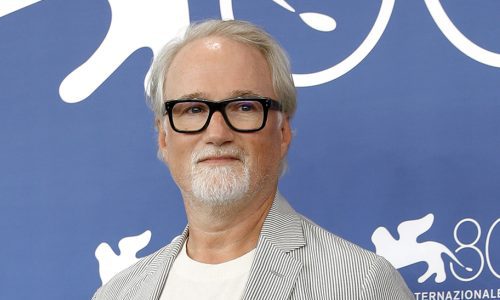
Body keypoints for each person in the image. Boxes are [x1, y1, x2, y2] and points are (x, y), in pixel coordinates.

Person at [92, 19, 414, 300]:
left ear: (283, 131)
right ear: (164, 137)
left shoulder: (359, 286)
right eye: (193, 109)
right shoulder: (117, 293)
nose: (217, 133)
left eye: (244, 107)